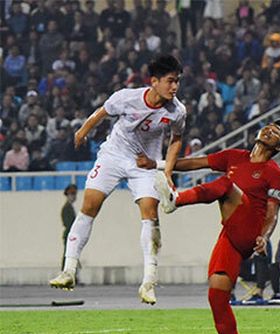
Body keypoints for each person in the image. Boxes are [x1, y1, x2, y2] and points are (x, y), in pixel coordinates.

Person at [144, 120, 280, 334]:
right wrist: (157, 165)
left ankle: (177, 199)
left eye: (277, 133)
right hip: (230, 233)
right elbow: (194, 163)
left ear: (279, 147)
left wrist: (265, 236)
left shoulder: (274, 172)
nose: (269, 130)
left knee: (225, 185)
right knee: (217, 294)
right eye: (269, 127)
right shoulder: (233, 157)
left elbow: (272, 213)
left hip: (250, 227)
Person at [49, 54, 187, 305]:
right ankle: (69, 270)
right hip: (114, 155)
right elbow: (102, 112)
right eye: (170, 81)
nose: (175, 87)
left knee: (150, 213)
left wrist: (165, 170)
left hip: (145, 163)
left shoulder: (177, 110)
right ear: (154, 81)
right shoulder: (127, 97)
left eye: (177, 81)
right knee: (89, 206)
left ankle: (148, 281)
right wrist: (83, 130)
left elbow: (176, 139)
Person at [60, 184, 78, 273]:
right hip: (69, 235)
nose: (74, 196)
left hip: (71, 235)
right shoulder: (67, 208)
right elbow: (68, 223)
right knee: (69, 255)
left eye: (74, 194)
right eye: (72, 194)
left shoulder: (69, 207)